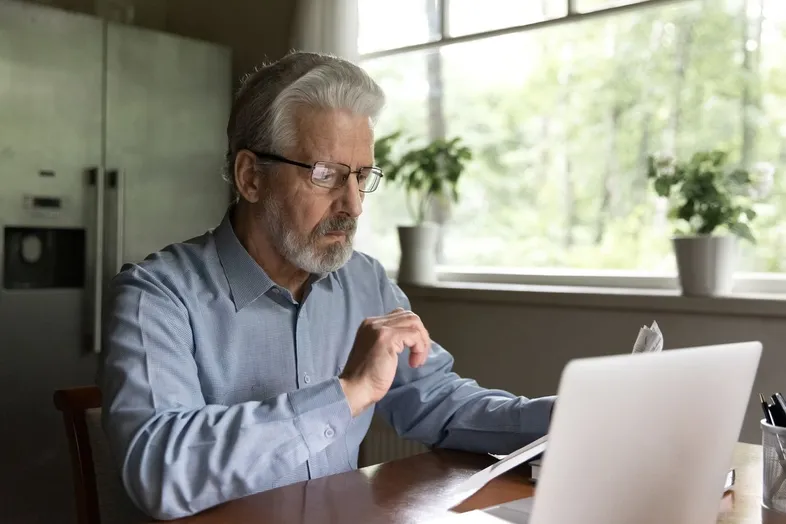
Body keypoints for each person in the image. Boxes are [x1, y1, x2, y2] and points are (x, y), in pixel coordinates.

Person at [98, 51, 556, 520]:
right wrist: (347, 391)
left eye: (361, 175)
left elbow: (438, 401)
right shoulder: (155, 296)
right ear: (251, 177)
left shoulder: (365, 281)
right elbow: (160, 471)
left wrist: (564, 420)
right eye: (327, 174)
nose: (354, 205)